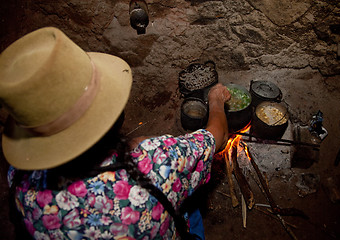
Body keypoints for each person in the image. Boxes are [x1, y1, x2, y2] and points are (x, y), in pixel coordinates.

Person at [0, 27, 230, 240]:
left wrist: (136, 145)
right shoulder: (159, 161)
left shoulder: (22, 184)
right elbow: (215, 137)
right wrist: (215, 100)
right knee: (191, 205)